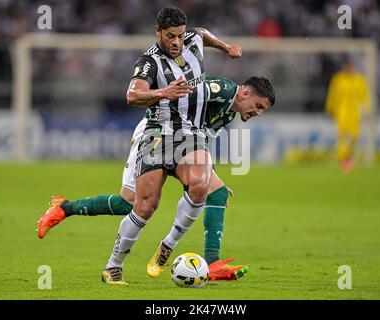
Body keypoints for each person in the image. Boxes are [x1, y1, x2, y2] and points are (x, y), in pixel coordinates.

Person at [39, 6, 243, 285]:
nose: (176, 42)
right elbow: (132, 95)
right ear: (157, 32)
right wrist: (163, 93)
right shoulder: (149, 61)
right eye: (170, 36)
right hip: (157, 133)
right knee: (143, 206)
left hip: (190, 135)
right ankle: (113, 267)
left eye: (180, 36)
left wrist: (224, 46)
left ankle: (168, 245)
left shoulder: (192, 39)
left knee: (200, 185)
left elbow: (202, 34)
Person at [37, 75, 275, 283]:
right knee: (129, 204)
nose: (258, 113)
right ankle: (64, 208)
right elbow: (173, 97)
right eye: (258, 106)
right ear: (244, 93)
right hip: (156, 135)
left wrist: (211, 174)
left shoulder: (227, 113)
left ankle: (206, 261)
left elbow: (204, 142)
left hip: (186, 145)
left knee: (217, 192)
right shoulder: (217, 90)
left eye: (263, 110)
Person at [325, 57, 371, 172]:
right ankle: (344, 160)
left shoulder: (360, 79)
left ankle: (350, 158)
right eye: (347, 66)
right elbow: (333, 94)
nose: (349, 69)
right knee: (342, 136)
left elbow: (364, 96)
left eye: (351, 66)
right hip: (342, 111)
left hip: (355, 112)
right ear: (344, 67)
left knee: (355, 136)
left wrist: (367, 110)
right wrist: (330, 109)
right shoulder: (338, 79)